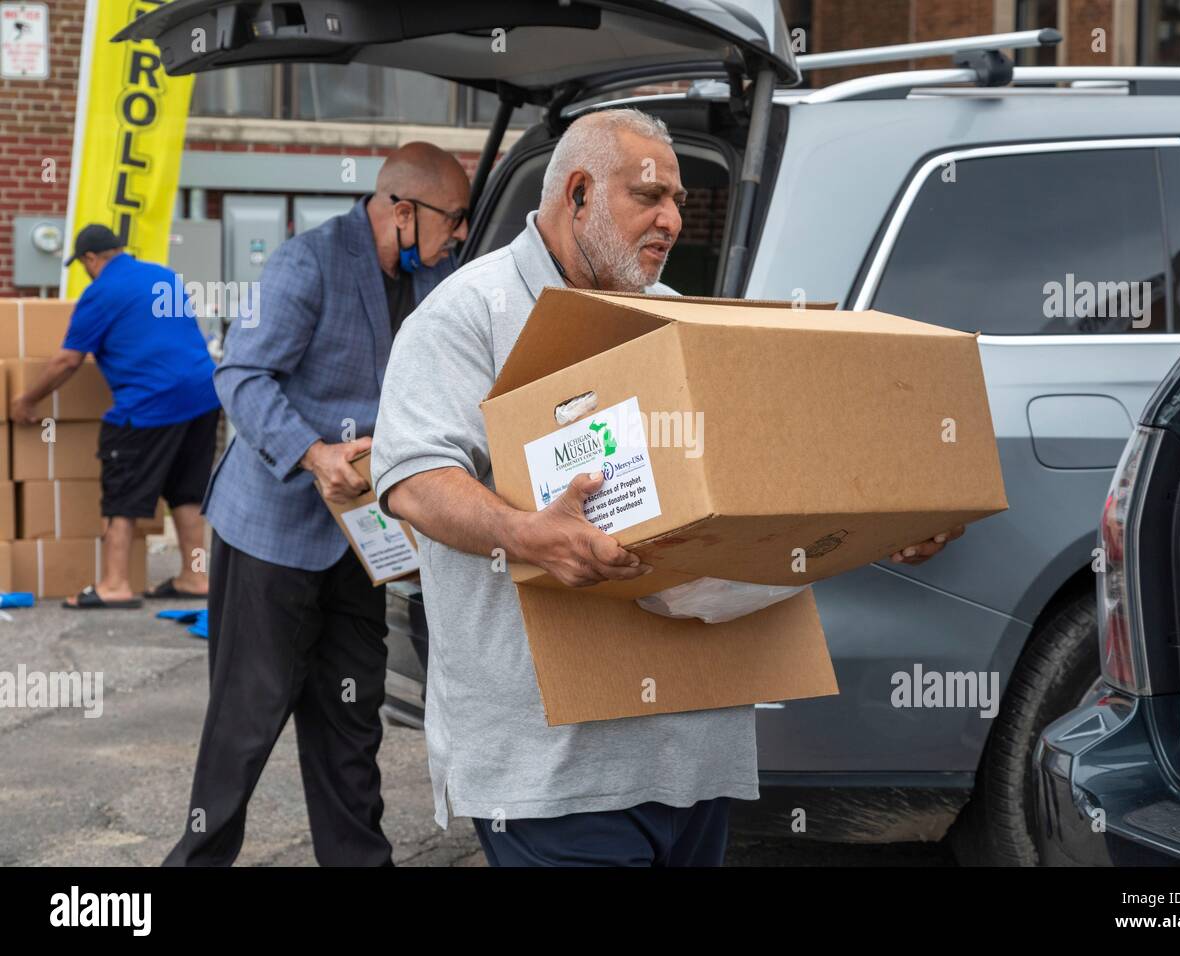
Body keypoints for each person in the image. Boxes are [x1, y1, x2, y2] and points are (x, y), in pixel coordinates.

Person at [371, 109, 964, 867]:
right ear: (578, 193)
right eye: (650, 197)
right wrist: (526, 534)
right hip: (555, 773)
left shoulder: (682, 323)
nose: (674, 220)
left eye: (680, 201)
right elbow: (414, 480)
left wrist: (880, 527)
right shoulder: (468, 314)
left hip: (692, 752)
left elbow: (761, 497)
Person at [163, 142, 470, 866]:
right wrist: (313, 453)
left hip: (361, 539)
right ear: (402, 211)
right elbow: (240, 375)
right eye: (452, 219)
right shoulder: (308, 262)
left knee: (352, 712)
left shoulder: (438, 278)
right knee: (248, 718)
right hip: (272, 530)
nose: (458, 235)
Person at [12, 224, 220, 609]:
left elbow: (67, 361)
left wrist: (27, 399)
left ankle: (114, 585)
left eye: (84, 264)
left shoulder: (101, 293)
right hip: (204, 395)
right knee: (187, 491)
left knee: (122, 490)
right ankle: (196, 576)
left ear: (91, 259)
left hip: (150, 404)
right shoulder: (163, 276)